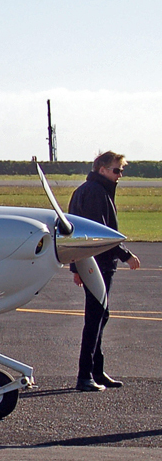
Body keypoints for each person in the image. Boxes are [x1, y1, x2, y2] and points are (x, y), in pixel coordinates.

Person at [67, 151, 141, 392]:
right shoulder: (95, 193)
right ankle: (84, 375)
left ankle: (96, 371)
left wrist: (76, 266)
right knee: (95, 318)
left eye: (121, 171)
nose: (120, 175)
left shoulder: (89, 191)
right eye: (116, 170)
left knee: (100, 316)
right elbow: (97, 233)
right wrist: (125, 254)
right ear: (102, 170)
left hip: (93, 263)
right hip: (97, 263)